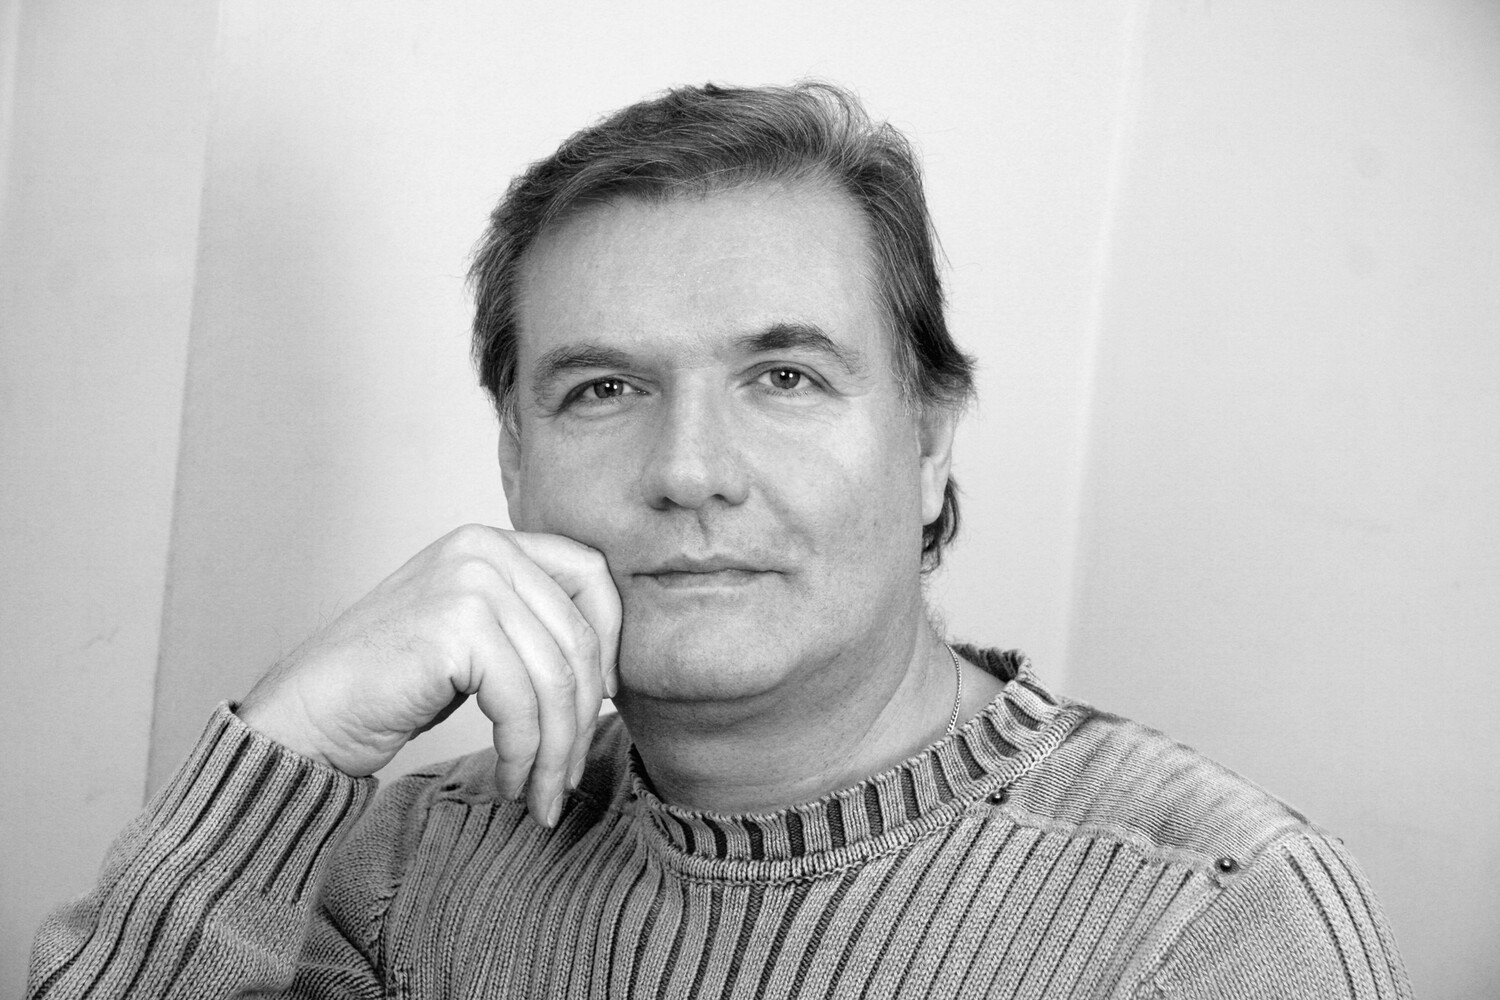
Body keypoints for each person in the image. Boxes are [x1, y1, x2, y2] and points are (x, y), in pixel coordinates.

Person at [29, 82, 1411, 999]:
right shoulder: (408, 868)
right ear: (513, 462)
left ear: (930, 440)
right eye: (603, 389)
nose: (688, 470)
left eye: (785, 376)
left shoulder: (1210, 921)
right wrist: (294, 742)